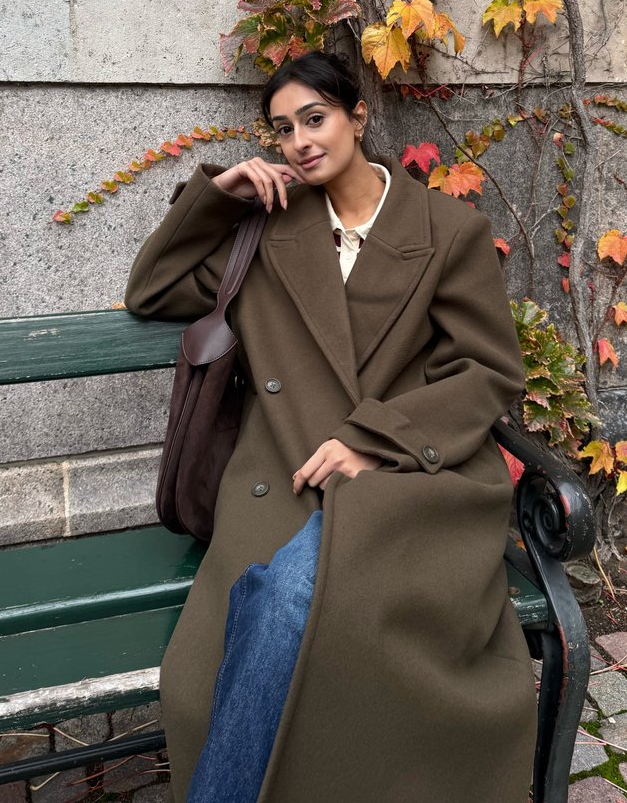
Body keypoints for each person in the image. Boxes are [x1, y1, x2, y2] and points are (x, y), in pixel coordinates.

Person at [125, 50, 536, 803]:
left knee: (296, 605)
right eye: (283, 130)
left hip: (407, 475)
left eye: (314, 118)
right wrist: (220, 193)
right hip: (283, 472)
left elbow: (487, 371)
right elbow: (152, 290)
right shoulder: (264, 234)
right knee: (271, 617)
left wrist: (373, 441)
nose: (300, 141)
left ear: (358, 116)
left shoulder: (448, 231)